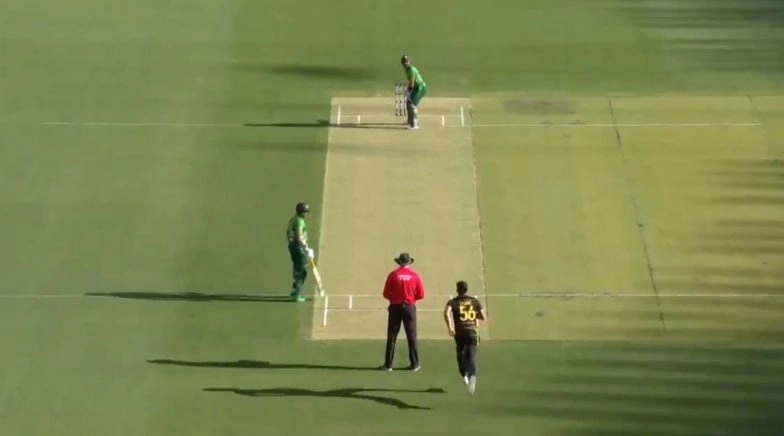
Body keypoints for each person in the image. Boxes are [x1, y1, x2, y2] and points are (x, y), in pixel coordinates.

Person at [382, 252, 426, 371]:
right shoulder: (414, 276)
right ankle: (415, 364)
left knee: (392, 336)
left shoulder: (393, 275)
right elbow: (421, 294)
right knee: (412, 336)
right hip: (409, 307)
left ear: (399, 262)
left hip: (395, 307)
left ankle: (389, 364)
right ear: (409, 262)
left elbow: (386, 293)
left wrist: (394, 299)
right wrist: (411, 300)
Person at [443, 281, 486, 394]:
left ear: (457, 290)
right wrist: (472, 315)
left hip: (460, 334)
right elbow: (483, 316)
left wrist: (450, 327)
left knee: (460, 355)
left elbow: (446, 313)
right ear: (467, 289)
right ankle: (472, 377)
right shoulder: (475, 301)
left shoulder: (453, 302)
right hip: (472, 333)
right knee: (471, 357)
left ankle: (465, 376)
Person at [286, 201, 312, 302]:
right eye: (306, 212)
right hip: (298, 247)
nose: (307, 214)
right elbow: (299, 236)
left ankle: (294, 291)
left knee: (297, 268)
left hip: (293, 246)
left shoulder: (294, 218)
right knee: (302, 270)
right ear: (302, 212)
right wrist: (305, 246)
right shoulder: (299, 221)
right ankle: (297, 294)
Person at [400, 55, 427, 129]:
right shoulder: (407, 70)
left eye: (407, 62)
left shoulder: (411, 70)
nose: (406, 63)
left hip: (420, 87)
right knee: (408, 103)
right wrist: (407, 90)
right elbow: (410, 82)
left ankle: (415, 124)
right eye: (404, 62)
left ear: (410, 62)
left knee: (412, 104)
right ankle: (410, 121)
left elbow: (411, 84)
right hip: (416, 87)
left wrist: (408, 91)